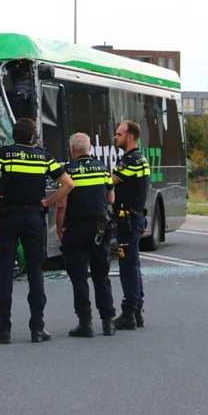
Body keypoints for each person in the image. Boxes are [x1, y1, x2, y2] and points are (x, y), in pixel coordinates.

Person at [0, 118, 74, 344]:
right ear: (33, 136)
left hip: (8, 216)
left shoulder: (6, 154)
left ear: (14, 135)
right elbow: (68, 184)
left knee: (5, 273)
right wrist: (47, 203)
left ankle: (4, 330)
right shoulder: (44, 156)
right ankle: (37, 328)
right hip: (33, 217)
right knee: (35, 272)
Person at [55, 132, 116, 338]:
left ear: (72, 149)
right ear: (89, 148)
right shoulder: (102, 168)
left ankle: (85, 323)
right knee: (101, 276)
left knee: (79, 277)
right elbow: (111, 199)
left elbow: (61, 204)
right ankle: (108, 322)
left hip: (76, 229)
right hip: (99, 228)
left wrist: (59, 228)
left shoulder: (67, 171)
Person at [110, 120, 150, 331]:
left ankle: (129, 313)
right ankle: (136, 311)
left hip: (128, 219)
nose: (115, 137)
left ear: (130, 137)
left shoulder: (130, 161)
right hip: (134, 217)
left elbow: (109, 183)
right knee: (133, 266)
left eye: (119, 134)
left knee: (128, 267)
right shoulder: (139, 159)